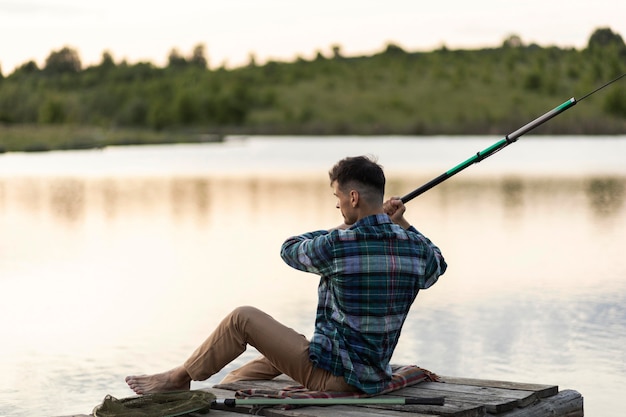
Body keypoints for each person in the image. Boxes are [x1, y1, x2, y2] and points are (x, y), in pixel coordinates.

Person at [126, 155, 447, 396]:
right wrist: (398, 222)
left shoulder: (339, 244)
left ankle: (178, 378)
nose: (337, 207)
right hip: (371, 371)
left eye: (337, 198)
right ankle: (217, 387)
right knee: (244, 375)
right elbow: (437, 264)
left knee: (242, 319)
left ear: (353, 198)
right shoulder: (414, 249)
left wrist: (351, 226)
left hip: (336, 376)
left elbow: (291, 248)